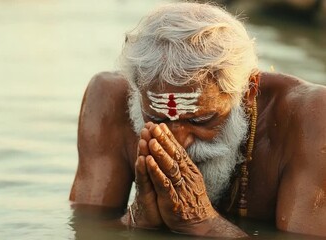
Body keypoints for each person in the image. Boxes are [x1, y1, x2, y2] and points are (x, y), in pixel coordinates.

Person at [69, 2, 326, 238]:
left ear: (248, 91)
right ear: (136, 92)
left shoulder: (311, 118)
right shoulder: (109, 101)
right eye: (157, 117)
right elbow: (84, 228)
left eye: (201, 121)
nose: (177, 141)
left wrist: (205, 223)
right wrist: (137, 219)